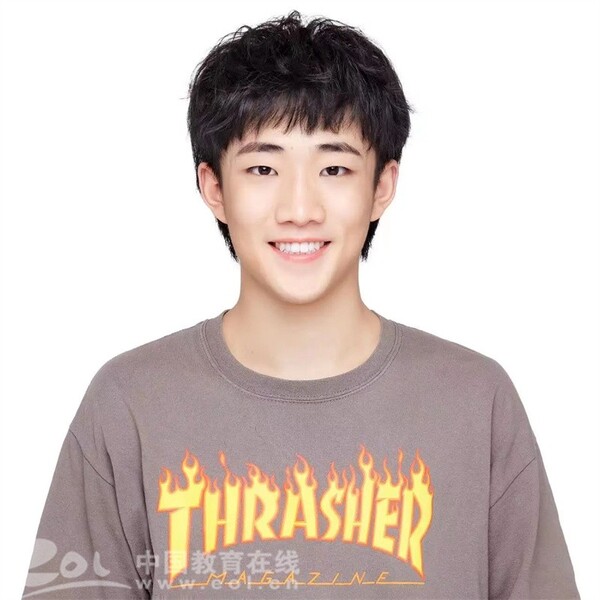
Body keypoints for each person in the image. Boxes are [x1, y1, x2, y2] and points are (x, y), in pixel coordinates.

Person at [21, 10, 580, 600]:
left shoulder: (475, 402)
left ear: (382, 186)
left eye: (334, 168)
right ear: (214, 187)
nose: (299, 209)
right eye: (263, 168)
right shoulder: (130, 404)